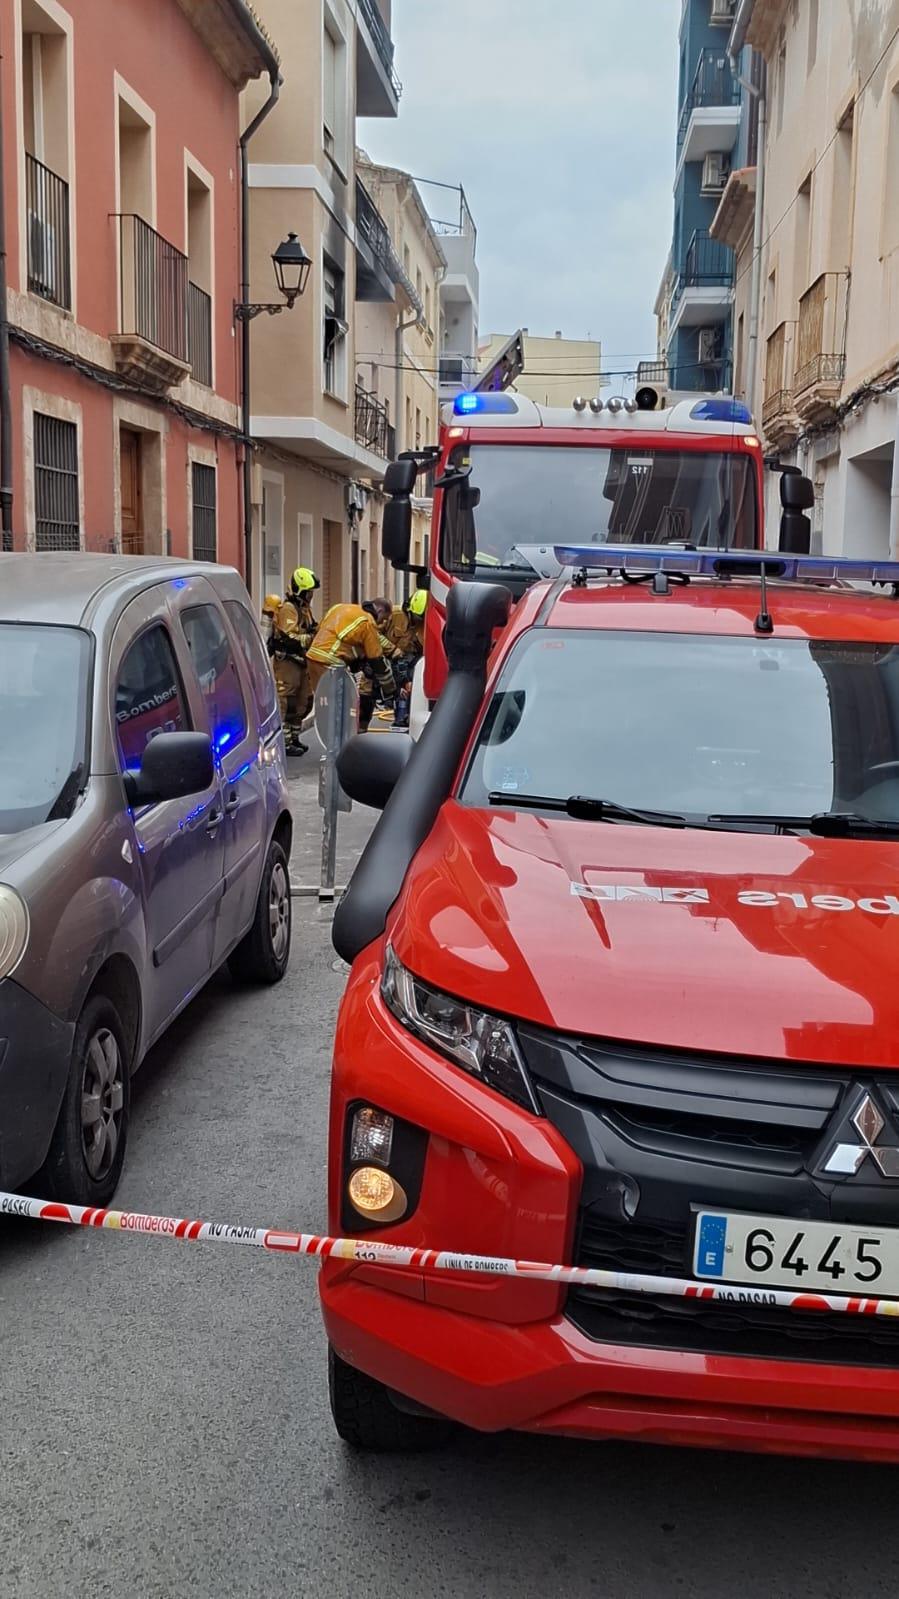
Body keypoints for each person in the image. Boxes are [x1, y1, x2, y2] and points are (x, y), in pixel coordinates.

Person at [307, 597, 396, 732]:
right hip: (330, 663)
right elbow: (376, 660)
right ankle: (339, 740)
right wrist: (390, 689)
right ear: (379, 611)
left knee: (326, 703)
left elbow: (326, 631)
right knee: (345, 705)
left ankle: (331, 736)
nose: (382, 623)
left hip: (313, 658)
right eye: (383, 619)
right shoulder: (368, 622)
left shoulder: (340, 608)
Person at [271, 567, 320, 756]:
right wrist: (310, 638)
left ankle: (294, 737)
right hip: (287, 663)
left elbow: (311, 627)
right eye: (309, 592)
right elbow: (289, 637)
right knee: (287, 701)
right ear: (300, 590)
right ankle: (284, 742)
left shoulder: (304, 609)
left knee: (304, 700)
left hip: (301, 662)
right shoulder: (288, 609)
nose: (311, 596)